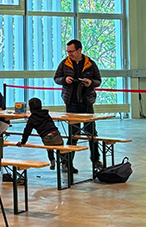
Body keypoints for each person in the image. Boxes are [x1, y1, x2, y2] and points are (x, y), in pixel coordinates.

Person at [54, 39, 102, 172]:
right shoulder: (64, 64)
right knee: (73, 134)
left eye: (71, 51)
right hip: (72, 103)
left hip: (87, 103)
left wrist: (90, 82)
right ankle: (67, 163)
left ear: (79, 50)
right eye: (68, 51)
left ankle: (96, 160)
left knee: (92, 133)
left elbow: (98, 81)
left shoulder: (90, 64)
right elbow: (56, 78)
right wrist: (64, 80)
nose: (69, 54)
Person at [17, 98, 63, 170]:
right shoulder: (46, 114)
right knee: (61, 148)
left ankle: (52, 161)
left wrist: (23, 142)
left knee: (49, 149)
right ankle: (64, 163)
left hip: (46, 137)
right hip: (55, 133)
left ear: (30, 108)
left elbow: (27, 131)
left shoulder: (32, 119)